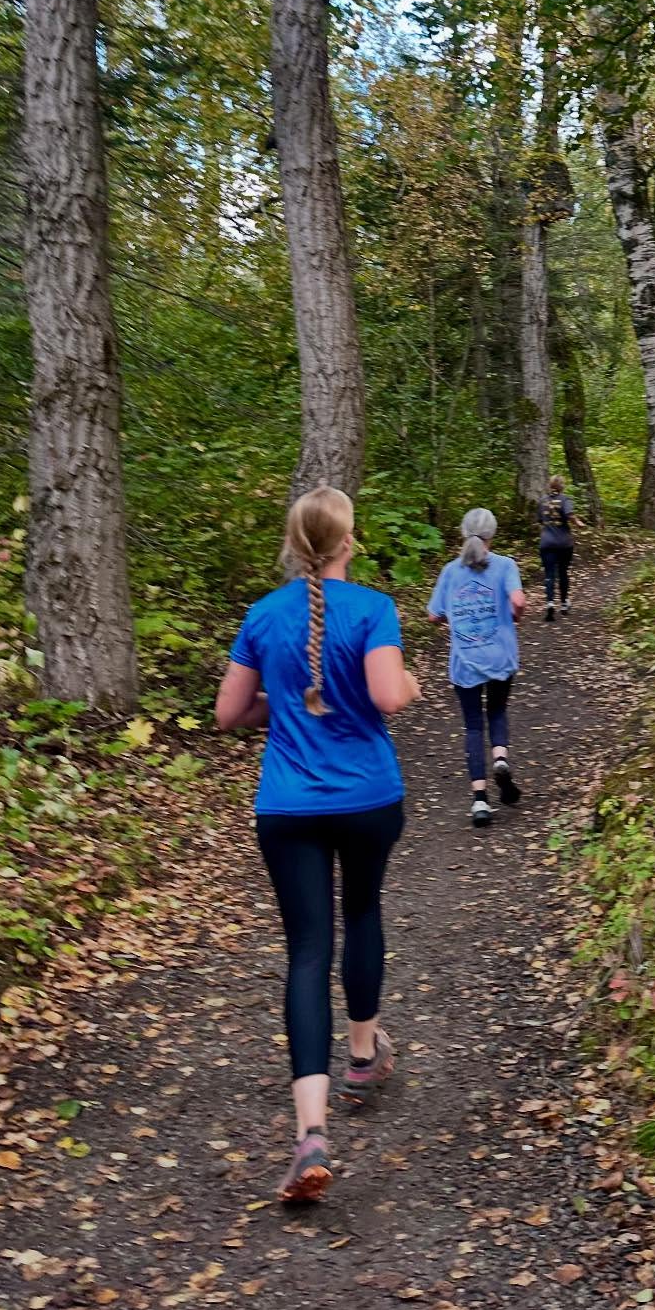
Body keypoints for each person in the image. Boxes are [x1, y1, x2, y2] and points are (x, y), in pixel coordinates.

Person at [215, 485, 420, 1205]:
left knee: (307, 949)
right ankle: (362, 1057)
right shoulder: (373, 609)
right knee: (361, 915)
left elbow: (227, 714)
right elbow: (389, 696)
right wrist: (410, 682)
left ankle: (310, 1131)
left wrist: (288, 693)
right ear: (347, 541)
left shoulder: (262, 616)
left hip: (288, 806)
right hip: (367, 797)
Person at [427, 508, 525, 828]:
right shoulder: (506, 565)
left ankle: (480, 801)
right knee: (496, 711)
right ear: (492, 535)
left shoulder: (450, 572)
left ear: (462, 532)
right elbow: (519, 601)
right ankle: (500, 758)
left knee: (472, 725)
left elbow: (433, 615)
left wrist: (451, 620)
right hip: (500, 656)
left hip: (465, 659)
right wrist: (515, 617)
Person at [538, 474, 576, 622]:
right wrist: (578, 522)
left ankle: (549, 603)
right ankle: (565, 603)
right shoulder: (565, 499)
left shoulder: (542, 501)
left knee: (549, 574)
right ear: (561, 486)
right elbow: (569, 514)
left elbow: (540, 520)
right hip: (564, 543)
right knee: (563, 572)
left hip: (546, 542)